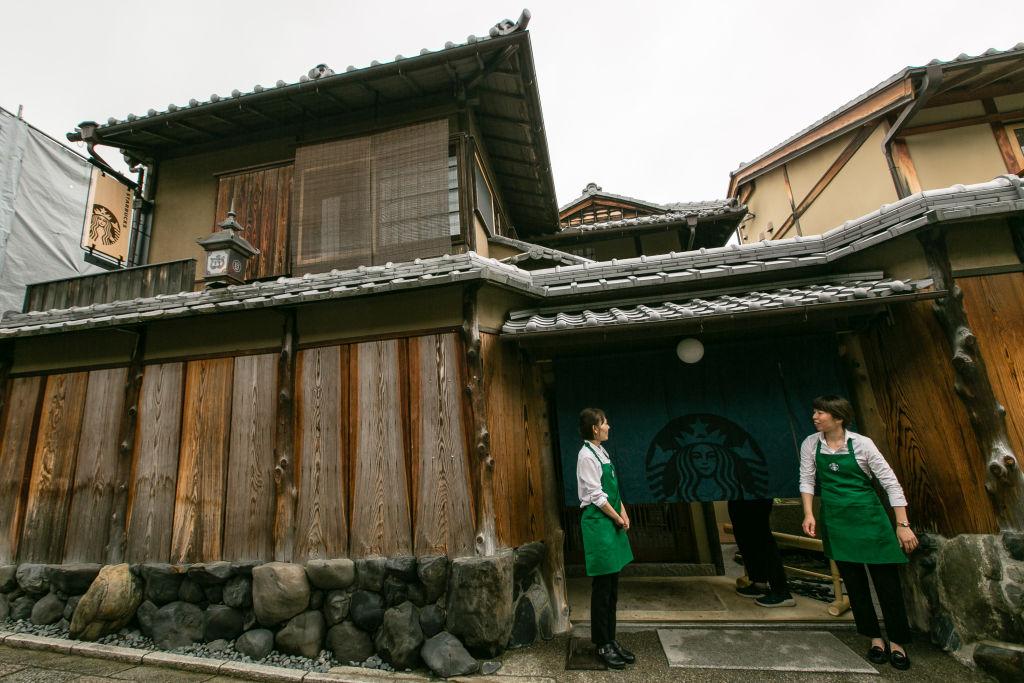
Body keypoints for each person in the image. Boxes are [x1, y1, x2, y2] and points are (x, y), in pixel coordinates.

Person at [800, 395, 919, 670]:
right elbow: (806, 478)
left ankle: (898, 642)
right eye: (815, 412)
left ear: (838, 418)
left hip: (869, 518)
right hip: (837, 519)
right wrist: (809, 512)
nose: (815, 417)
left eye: (820, 413)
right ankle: (875, 638)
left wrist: (902, 525)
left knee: (886, 584)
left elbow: (890, 482)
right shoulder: (810, 444)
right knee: (854, 584)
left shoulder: (862, 444)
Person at [576, 408, 635, 669]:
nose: (608, 426)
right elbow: (597, 496)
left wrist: (623, 512)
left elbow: (613, 489)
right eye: (604, 423)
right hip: (598, 522)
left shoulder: (602, 451)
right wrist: (616, 517)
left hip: (611, 520)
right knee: (602, 588)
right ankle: (602, 643)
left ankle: (611, 639)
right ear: (594, 429)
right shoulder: (586, 456)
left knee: (612, 587)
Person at [729, 498, 795, 607]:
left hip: (757, 491)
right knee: (742, 527)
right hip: (742, 491)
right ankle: (759, 583)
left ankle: (781, 590)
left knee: (760, 531)